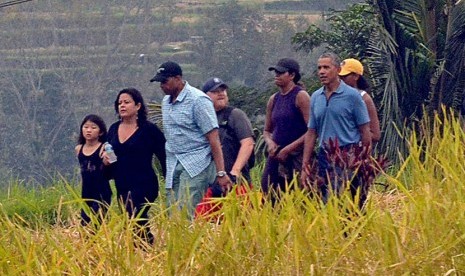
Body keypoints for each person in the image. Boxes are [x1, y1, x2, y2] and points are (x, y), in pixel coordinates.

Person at [150, 61, 232, 219]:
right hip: (174, 162)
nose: (162, 86)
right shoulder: (166, 103)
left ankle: (190, 243)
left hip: (196, 163)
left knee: (185, 214)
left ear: (178, 78)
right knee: (171, 212)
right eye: (160, 82)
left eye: (165, 81)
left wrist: (221, 172)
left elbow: (214, 139)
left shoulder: (198, 100)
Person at [301, 52, 371, 208]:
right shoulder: (315, 97)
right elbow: (311, 132)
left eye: (326, 67)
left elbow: (365, 132)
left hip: (348, 154)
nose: (321, 72)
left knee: (343, 202)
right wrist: (305, 166)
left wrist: (365, 161)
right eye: (319, 68)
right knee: (325, 200)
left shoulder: (353, 96)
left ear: (338, 70)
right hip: (324, 154)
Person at [103, 88, 166, 244]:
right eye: (119, 103)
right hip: (122, 184)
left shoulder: (149, 130)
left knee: (136, 213)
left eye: (127, 102)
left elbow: (164, 155)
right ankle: (145, 251)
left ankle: (145, 249)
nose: (122, 106)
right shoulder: (113, 129)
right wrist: (105, 160)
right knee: (131, 221)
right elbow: (108, 150)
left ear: (138, 106)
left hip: (144, 183)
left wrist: (169, 180)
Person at [195, 77, 255, 219]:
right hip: (209, 185)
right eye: (215, 91)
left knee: (241, 225)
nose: (221, 93)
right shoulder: (201, 118)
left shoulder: (235, 115)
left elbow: (248, 143)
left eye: (223, 90)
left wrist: (235, 171)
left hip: (236, 183)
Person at [261, 58, 310, 202]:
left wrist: (288, 149)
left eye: (281, 73)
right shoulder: (273, 99)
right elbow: (267, 131)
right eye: (276, 72)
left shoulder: (301, 96)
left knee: (299, 196)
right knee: (269, 192)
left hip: (296, 155)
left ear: (292, 75)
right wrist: (270, 143)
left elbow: (311, 131)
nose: (277, 75)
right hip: (276, 155)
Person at [75, 114, 112, 226]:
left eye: (93, 127)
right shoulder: (78, 149)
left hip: (102, 193)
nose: (89, 130)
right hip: (86, 192)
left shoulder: (105, 147)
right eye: (86, 127)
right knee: (85, 223)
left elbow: (114, 161)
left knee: (97, 225)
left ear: (100, 132)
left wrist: (107, 158)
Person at [339, 58, 381, 142]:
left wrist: (349, 133)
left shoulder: (364, 99)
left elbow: (376, 135)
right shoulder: (334, 97)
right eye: (339, 77)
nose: (341, 80)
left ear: (356, 76)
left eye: (344, 77)